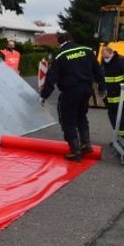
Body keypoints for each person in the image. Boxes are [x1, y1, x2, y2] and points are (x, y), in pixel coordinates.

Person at [39, 32, 106, 162]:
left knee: (68, 119)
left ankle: (75, 152)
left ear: (60, 42)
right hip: (87, 89)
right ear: (72, 39)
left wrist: (44, 95)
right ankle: (86, 145)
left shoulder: (60, 54)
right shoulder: (87, 50)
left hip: (71, 90)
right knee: (81, 115)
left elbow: (51, 77)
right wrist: (102, 88)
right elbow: (98, 70)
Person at [100, 46, 124, 138]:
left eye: (107, 57)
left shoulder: (122, 61)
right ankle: (118, 139)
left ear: (112, 53)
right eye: (104, 58)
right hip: (111, 98)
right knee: (113, 118)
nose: (105, 59)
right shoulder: (104, 63)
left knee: (123, 119)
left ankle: (123, 141)